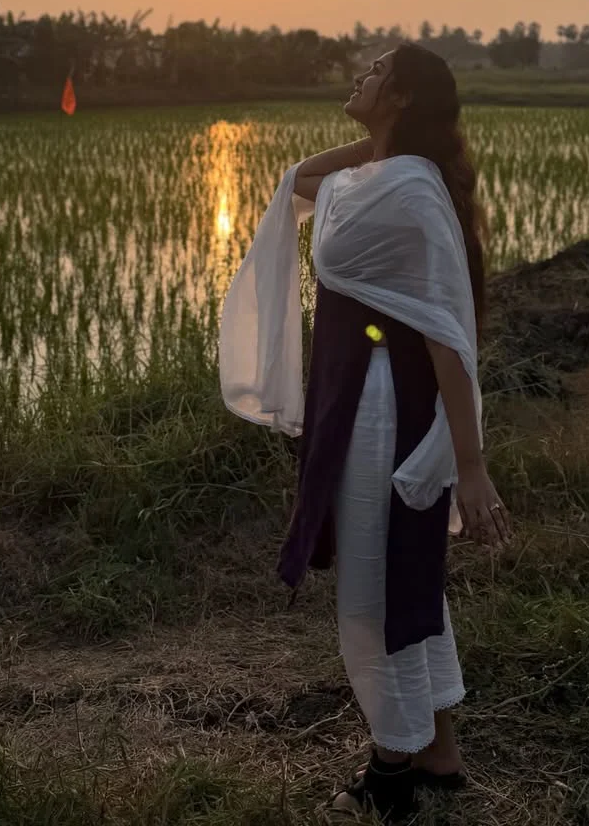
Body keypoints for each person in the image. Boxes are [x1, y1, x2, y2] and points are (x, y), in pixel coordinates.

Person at [219, 43, 511, 822]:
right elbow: (299, 180)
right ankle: (439, 750)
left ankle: (390, 774)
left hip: (384, 407)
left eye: (375, 70)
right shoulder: (376, 179)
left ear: (404, 94)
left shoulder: (409, 193)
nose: (359, 73)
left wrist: (471, 464)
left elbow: (447, 334)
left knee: (374, 583)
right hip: (360, 396)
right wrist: (384, 133)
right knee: (404, 567)